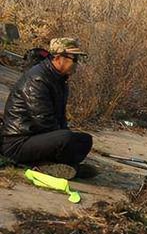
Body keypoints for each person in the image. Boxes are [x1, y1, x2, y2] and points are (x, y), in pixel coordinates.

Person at [1, 38, 94, 179]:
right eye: (73, 58)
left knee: (85, 140)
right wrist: (63, 140)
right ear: (58, 58)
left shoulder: (59, 79)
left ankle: (52, 164)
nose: (76, 63)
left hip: (37, 137)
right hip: (18, 142)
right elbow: (43, 120)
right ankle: (48, 164)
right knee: (66, 138)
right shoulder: (38, 79)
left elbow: (60, 117)